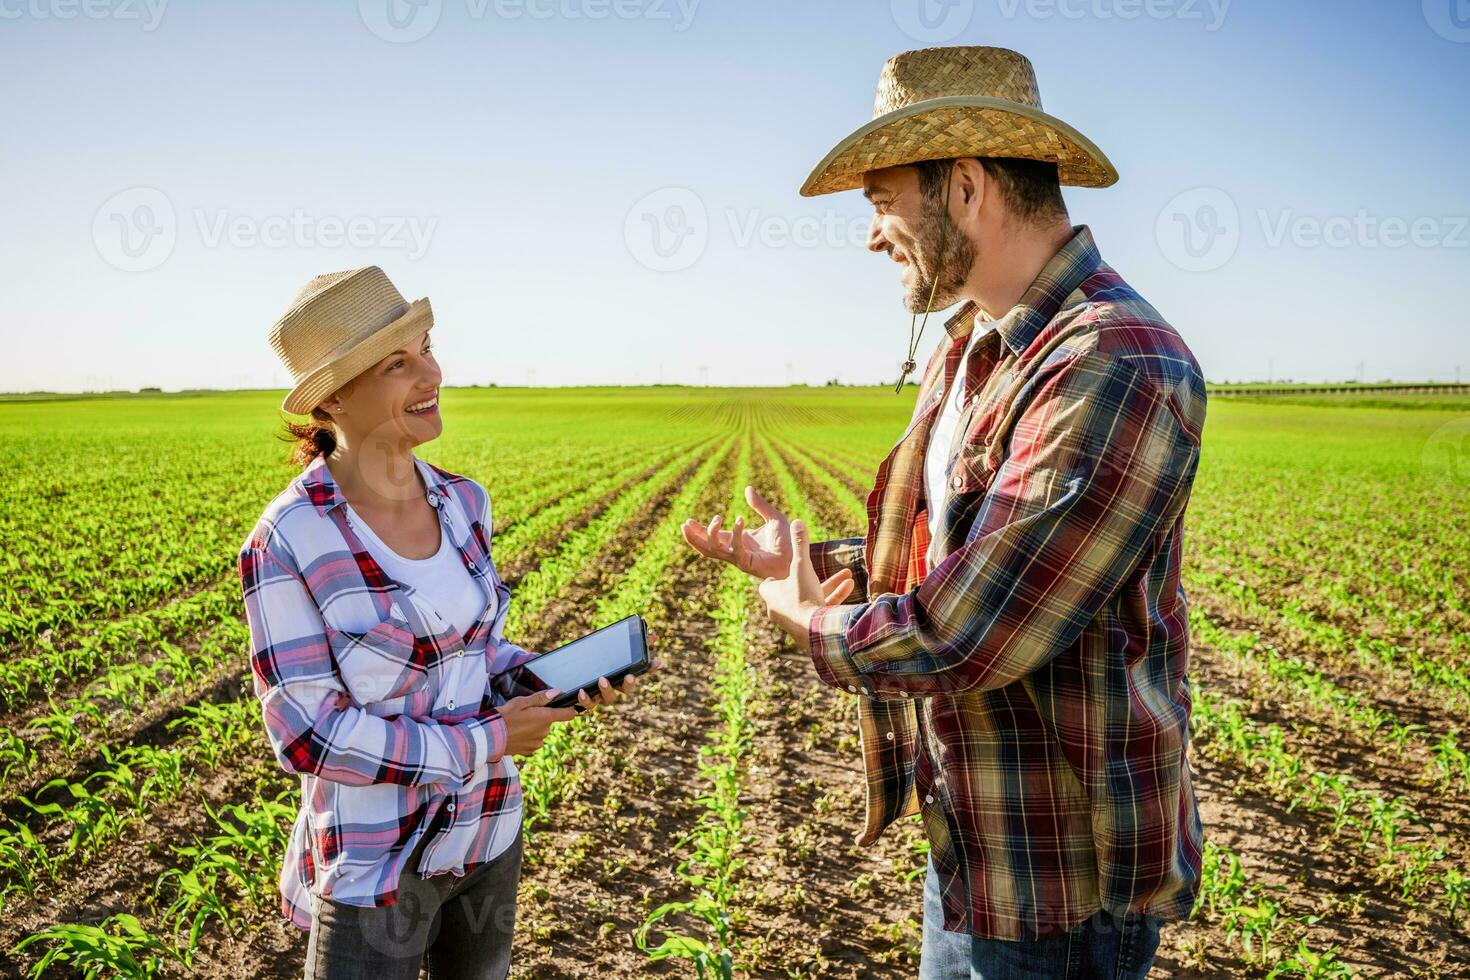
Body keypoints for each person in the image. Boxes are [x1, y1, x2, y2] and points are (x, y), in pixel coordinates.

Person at [683, 46, 1205, 979]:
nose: (873, 234)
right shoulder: (967, 349)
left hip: (1058, 886)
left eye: (884, 201)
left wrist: (811, 618)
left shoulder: (1111, 362)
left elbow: (974, 628)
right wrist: (812, 558)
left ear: (965, 187)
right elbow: (962, 547)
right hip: (970, 843)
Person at [239, 266, 643, 979]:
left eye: (427, 347)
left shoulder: (464, 502)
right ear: (332, 397)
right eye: (399, 363)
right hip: (375, 870)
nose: (433, 372)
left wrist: (546, 680)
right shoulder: (291, 541)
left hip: (488, 833)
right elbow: (309, 736)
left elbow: (474, 654)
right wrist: (489, 739)